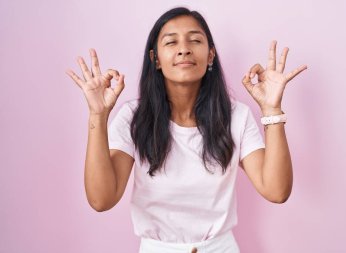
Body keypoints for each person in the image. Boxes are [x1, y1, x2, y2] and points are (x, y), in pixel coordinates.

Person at [65, 6, 307, 253]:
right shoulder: (133, 118)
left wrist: (272, 109)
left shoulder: (236, 116)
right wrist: (97, 115)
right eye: (171, 42)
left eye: (195, 40)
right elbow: (101, 199)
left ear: (210, 55)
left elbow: (277, 191)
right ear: (155, 58)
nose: (184, 48)